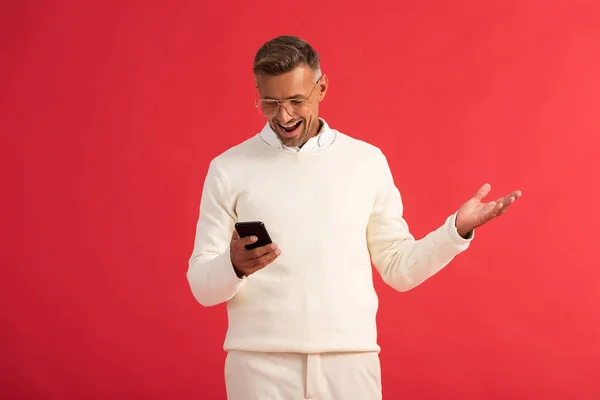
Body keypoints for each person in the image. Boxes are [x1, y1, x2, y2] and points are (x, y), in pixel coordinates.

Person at [186, 35, 522, 400]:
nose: (284, 116)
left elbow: (399, 268)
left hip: (349, 364)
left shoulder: (366, 162)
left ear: (322, 87)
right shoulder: (228, 169)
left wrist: (456, 230)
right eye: (270, 103)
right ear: (258, 92)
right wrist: (233, 266)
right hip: (258, 367)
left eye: (297, 101)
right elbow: (202, 287)